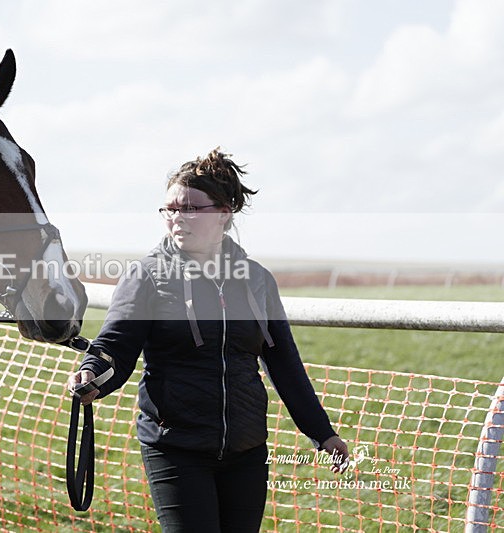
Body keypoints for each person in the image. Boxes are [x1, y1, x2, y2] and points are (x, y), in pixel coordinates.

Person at [68, 148, 349, 532]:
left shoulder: (256, 280)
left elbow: (283, 363)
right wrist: (92, 374)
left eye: (190, 209)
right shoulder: (147, 276)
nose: (176, 218)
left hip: (247, 449)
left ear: (224, 214)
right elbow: (116, 343)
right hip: (175, 448)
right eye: (169, 209)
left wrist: (322, 432)